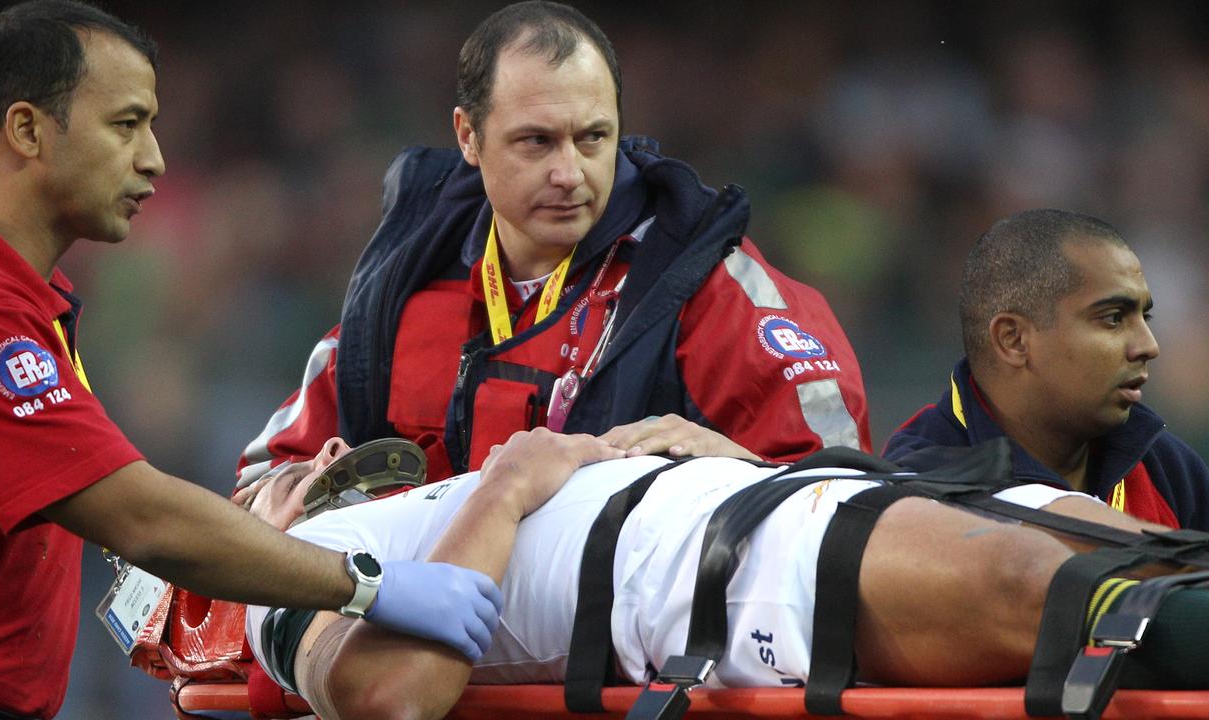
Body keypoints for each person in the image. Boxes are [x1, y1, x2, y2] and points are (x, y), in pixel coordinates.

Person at [0, 4, 501, 718]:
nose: (153, 159)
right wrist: (369, 582)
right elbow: (143, 520)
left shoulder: (6, 291)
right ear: (26, 129)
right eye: (125, 124)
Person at [237, 0, 871, 487]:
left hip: (622, 655)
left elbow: (842, 487)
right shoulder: (401, 284)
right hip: (431, 648)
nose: (570, 173)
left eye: (593, 138)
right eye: (536, 142)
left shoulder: (702, 282)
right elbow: (265, 479)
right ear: (468, 136)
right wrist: (301, 493)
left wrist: (735, 469)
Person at [240, 428, 1209, 720]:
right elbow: (388, 700)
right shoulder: (275, 586)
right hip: (708, 572)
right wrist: (503, 490)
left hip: (780, 497)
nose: (306, 452)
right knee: (1049, 592)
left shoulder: (417, 508)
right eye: (252, 483)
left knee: (1133, 544)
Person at [883, 209, 1209, 529]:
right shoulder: (919, 494)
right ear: (1014, 340)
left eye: (1144, 317)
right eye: (1113, 318)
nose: (1149, 346)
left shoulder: (1169, 469)